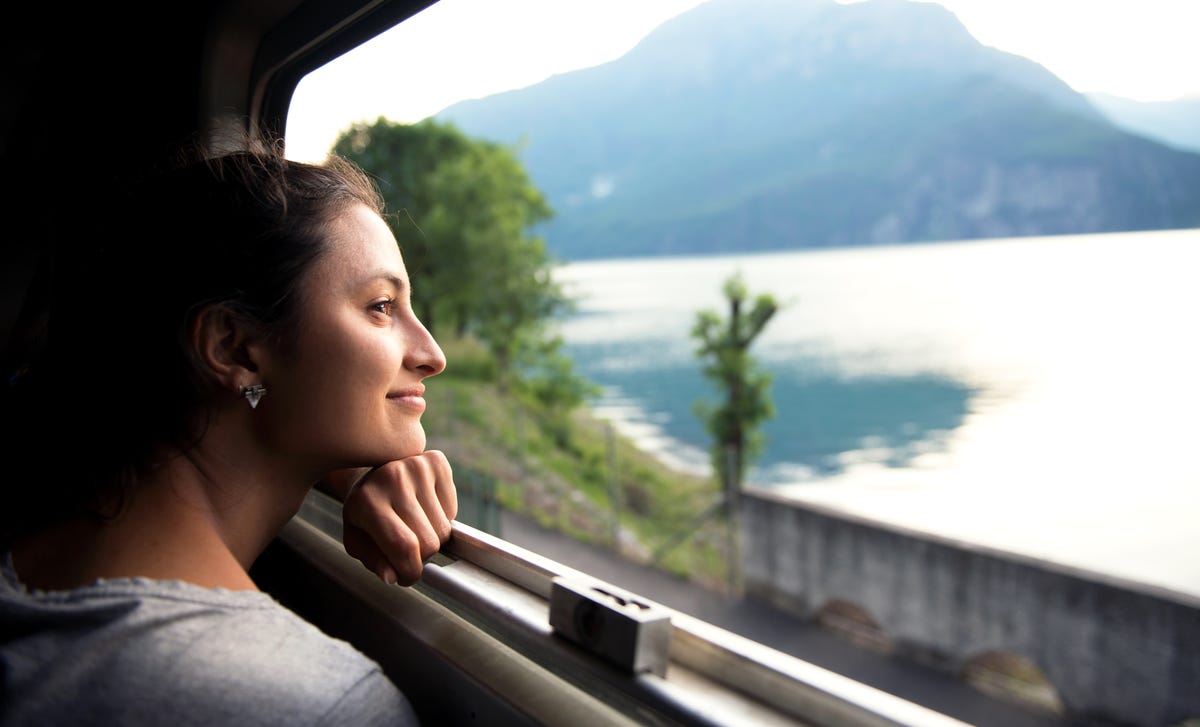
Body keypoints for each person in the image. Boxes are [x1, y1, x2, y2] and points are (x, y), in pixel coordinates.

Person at [0, 141, 457, 725]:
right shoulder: (306, 703)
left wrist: (339, 463)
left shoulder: (29, 537)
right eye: (381, 306)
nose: (431, 354)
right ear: (232, 346)